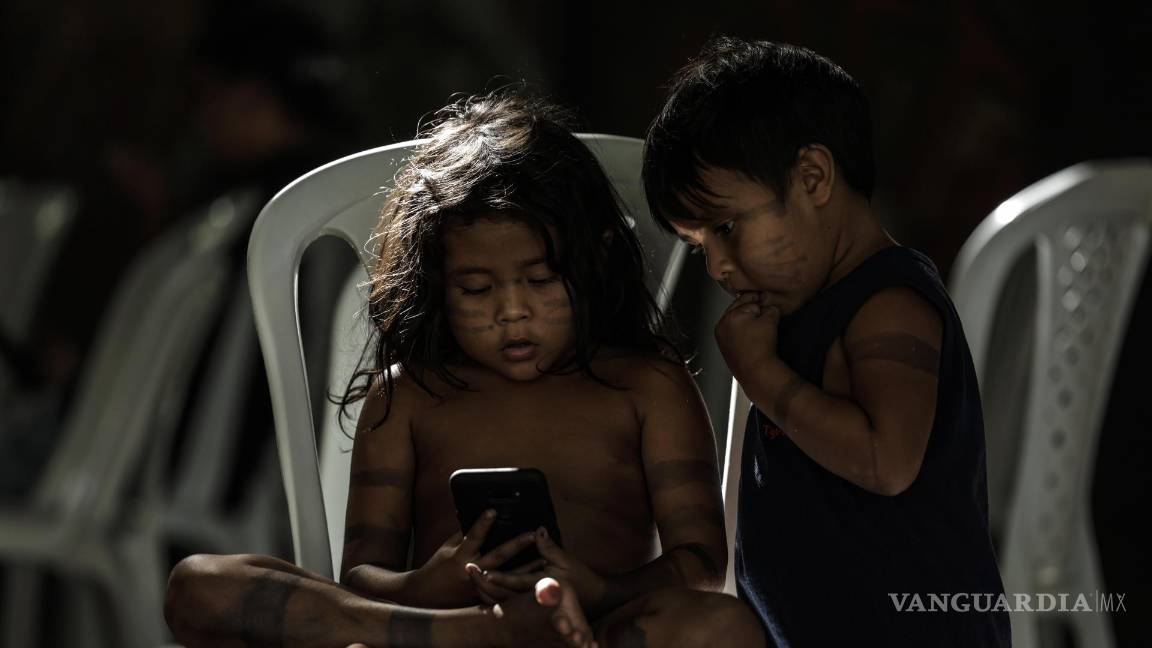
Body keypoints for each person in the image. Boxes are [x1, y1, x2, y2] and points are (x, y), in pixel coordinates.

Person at [165, 91, 764, 647]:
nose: (511, 312)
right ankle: (476, 635)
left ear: (596, 261)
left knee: (724, 625)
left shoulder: (646, 386)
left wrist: (600, 591)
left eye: (539, 280)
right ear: (437, 287)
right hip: (440, 629)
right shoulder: (409, 397)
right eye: (476, 290)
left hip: (595, 629)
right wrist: (431, 587)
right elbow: (362, 575)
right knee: (201, 583)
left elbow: (702, 564)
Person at [642, 37, 1011, 646]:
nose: (718, 266)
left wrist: (761, 376)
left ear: (812, 177)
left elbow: (885, 462)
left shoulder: (887, 306)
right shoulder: (800, 310)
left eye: (727, 228)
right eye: (700, 245)